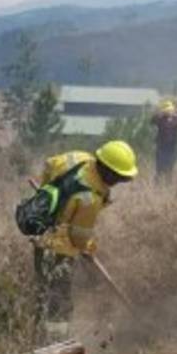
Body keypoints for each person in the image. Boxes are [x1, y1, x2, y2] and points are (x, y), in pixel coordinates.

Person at [32, 140, 138, 337]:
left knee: (43, 292)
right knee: (59, 298)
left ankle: (36, 335)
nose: (117, 182)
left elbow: (49, 164)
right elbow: (79, 236)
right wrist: (88, 247)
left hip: (40, 234)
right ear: (107, 170)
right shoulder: (90, 197)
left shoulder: (78, 158)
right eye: (118, 177)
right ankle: (55, 342)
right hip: (58, 248)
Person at [150, 98, 177, 181]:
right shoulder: (160, 119)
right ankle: (157, 184)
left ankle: (168, 183)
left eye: (169, 110)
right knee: (159, 167)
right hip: (161, 146)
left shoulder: (176, 119)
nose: (168, 112)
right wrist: (158, 113)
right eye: (166, 110)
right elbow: (152, 121)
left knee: (170, 167)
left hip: (172, 146)